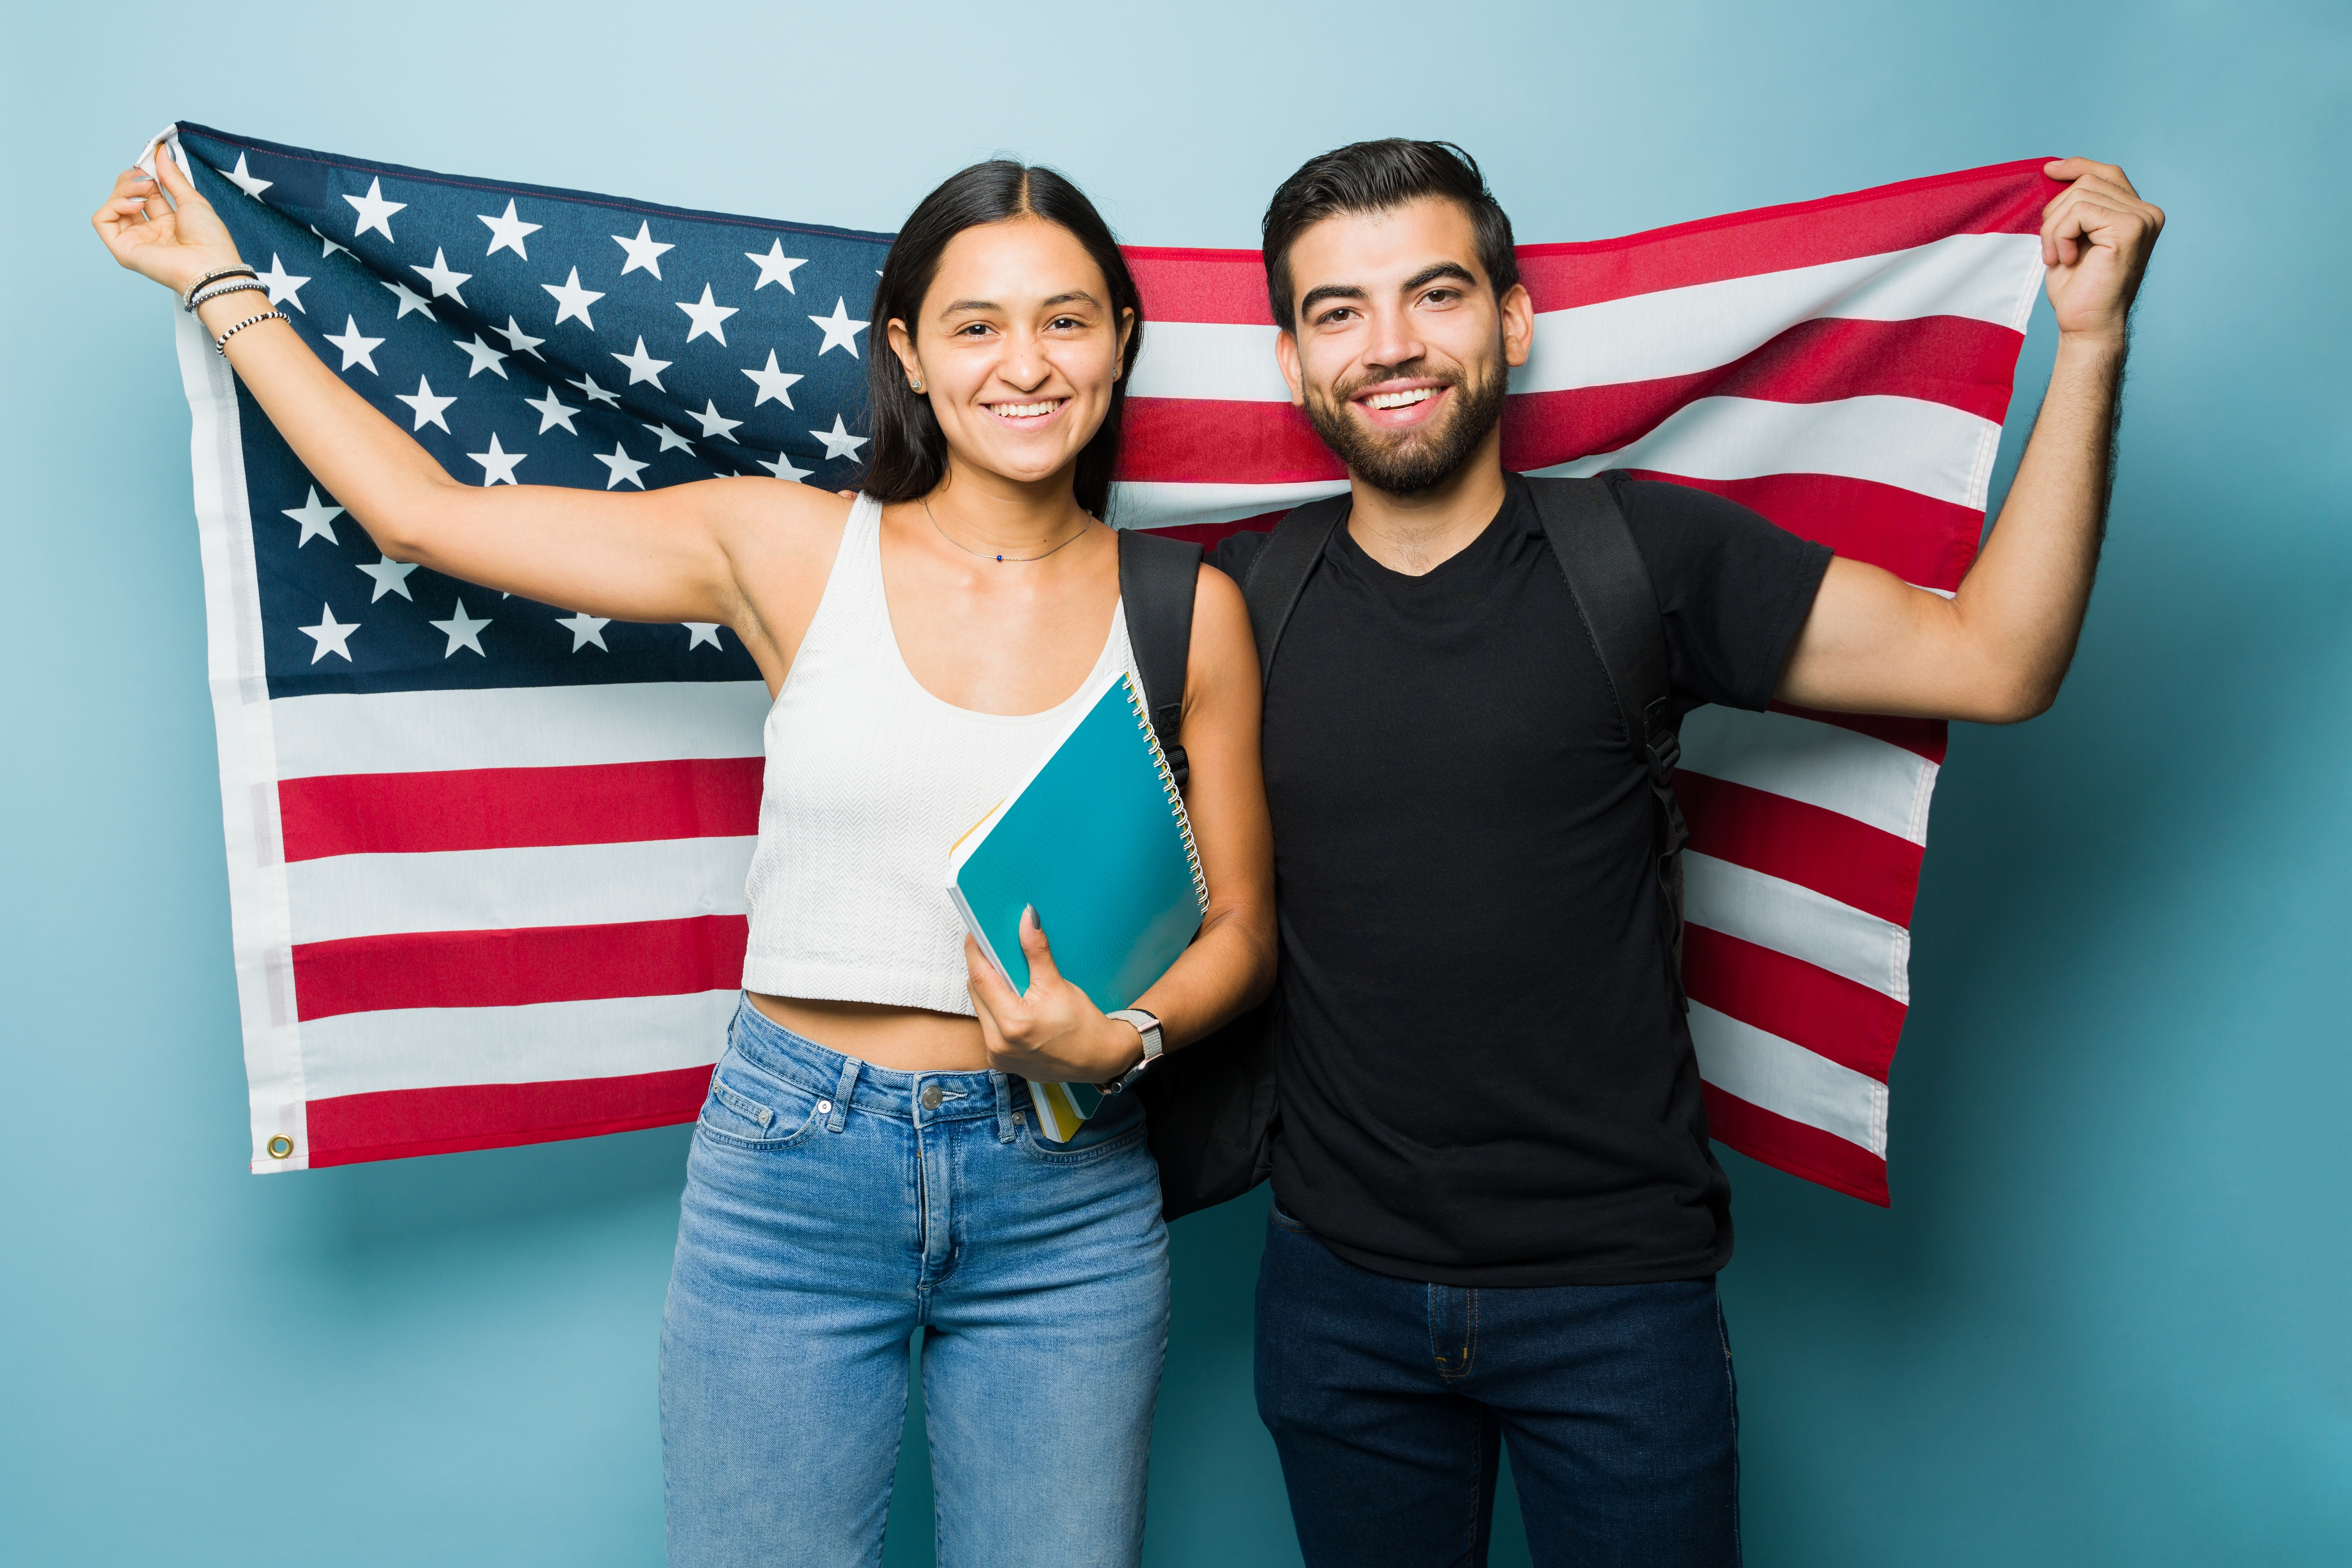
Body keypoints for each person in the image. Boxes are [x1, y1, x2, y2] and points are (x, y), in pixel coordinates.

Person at [94, 152, 1276, 1568]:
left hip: (1065, 1203)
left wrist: (1118, 1031)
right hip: (793, 1169)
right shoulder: (782, 546)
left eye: (1065, 320)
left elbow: (1242, 935)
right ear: (906, 349)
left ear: (1121, 339)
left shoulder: (1188, 611)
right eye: (975, 325)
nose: (1024, 364)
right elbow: (420, 514)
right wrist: (219, 282)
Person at [1213, 141, 2161, 1567]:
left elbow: (1994, 657)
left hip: (1613, 1306)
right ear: (1292, 362)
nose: (1391, 343)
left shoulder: (1637, 555)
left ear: (1513, 320)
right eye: (1338, 311)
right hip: (1333, 1295)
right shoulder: (1237, 602)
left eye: (1435, 292)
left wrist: (2085, 347)